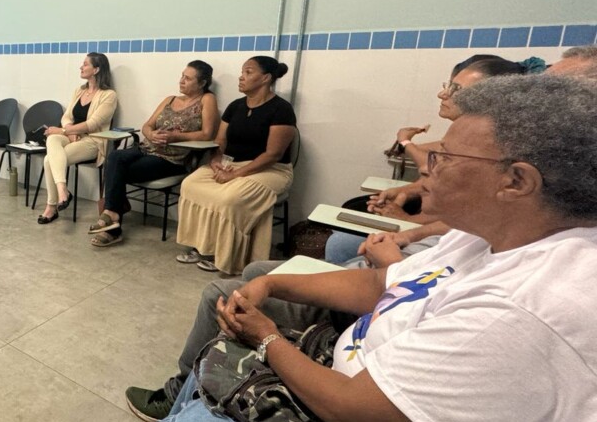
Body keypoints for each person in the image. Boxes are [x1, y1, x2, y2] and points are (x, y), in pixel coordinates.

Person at [106, 74, 597, 422]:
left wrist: (269, 340)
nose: (427, 167)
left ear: (517, 181)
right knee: (218, 367)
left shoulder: (535, 306)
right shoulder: (488, 236)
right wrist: (275, 284)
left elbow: (369, 421)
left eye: (445, 158)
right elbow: (383, 283)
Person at [324, 55, 528, 266]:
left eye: (456, 89)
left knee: (341, 244)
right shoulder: (463, 137)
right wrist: (404, 192)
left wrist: (407, 223)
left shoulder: (495, 151)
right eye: (448, 86)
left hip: (436, 241)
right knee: (347, 226)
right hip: (432, 234)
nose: (442, 94)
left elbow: (463, 212)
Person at [174, 56, 296, 273]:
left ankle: (226, 256)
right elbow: (220, 142)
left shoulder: (281, 109)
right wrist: (216, 162)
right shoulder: (235, 106)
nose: (241, 77)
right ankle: (202, 247)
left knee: (229, 197)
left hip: (271, 170)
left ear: (266, 78)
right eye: (242, 72)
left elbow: (273, 154)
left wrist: (235, 175)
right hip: (231, 163)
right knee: (190, 184)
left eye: (248, 72)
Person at [88, 61, 218, 246]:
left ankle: (112, 224)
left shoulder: (206, 99)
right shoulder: (170, 99)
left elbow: (207, 134)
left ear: (202, 83)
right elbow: (147, 125)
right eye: (182, 76)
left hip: (171, 158)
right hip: (146, 148)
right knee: (115, 157)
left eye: (188, 78)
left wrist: (175, 137)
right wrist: (150, 134)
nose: (181, 80)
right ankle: (113, 214)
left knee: (116, 171)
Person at [36, 53, 118, 224]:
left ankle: (51, 206)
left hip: (92, 141)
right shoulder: (79, 91)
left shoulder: (109, 95)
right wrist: (69, 131)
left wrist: (64, 130)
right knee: (52, 139)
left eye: (85, 64)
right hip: (72, 136)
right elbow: (66, 116)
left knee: (49, 160)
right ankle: (63, 191)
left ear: (96, 69)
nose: (81, 67)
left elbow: (93, 124)